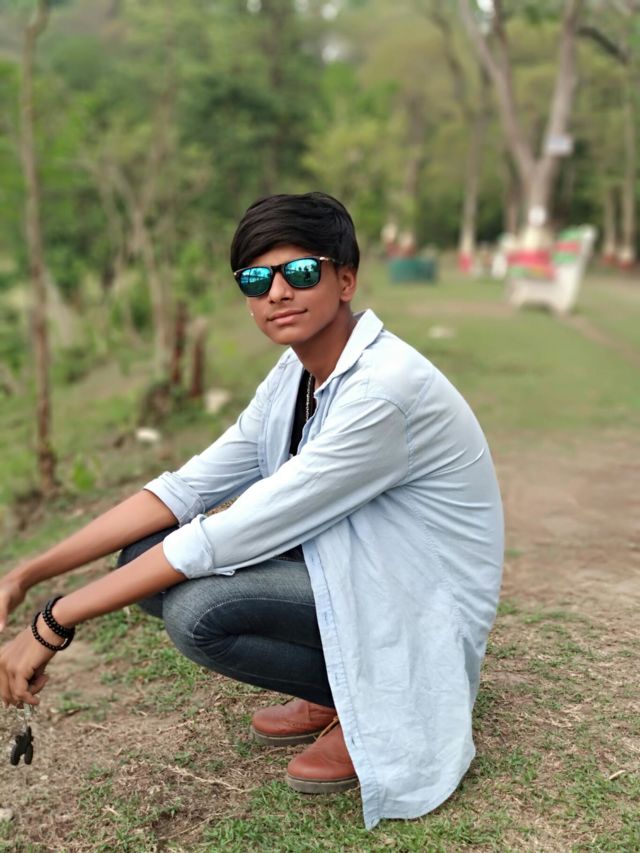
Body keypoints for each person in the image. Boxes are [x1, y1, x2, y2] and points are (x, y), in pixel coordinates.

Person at [0, 192, 503, 829]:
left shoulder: (383, 391)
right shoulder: (295, 374)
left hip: (418, 598)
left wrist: (53, 621)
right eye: (256, 280)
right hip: (358, 558)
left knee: (200, 609)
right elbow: (185, 491)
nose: (278, 293)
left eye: (300, 272)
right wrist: (29, 573)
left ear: (346, 281)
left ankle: (375, 703)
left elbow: (226, 535)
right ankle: (335, 688)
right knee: (141, 561)